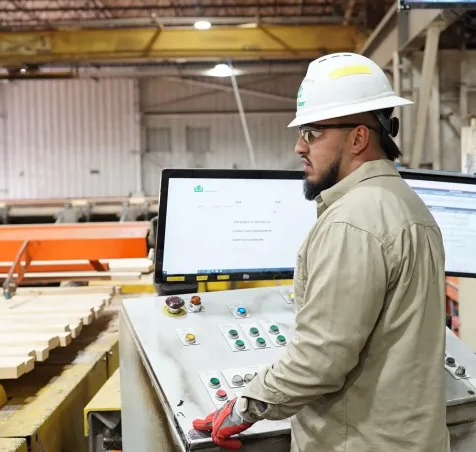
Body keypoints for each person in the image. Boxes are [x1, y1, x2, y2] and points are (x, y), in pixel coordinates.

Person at [192, 53, 449, 452]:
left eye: (312, 132)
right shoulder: (406, 205)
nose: (299, 146)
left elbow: (320, 360)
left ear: (359, 137)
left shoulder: (352, 222)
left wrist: (244, 407)